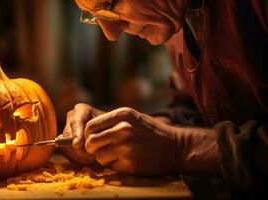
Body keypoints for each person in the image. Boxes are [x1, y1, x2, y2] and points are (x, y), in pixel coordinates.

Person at [61, 0, 268, 199]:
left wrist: (179, 147)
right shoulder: (172, 18)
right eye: (94, 15)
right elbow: (194, 107)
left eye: (108, 4)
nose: (111, 34)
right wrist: (123, 134)